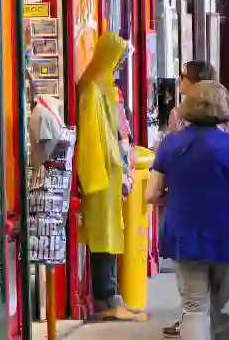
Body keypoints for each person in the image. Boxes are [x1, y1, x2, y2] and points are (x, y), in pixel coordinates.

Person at [147, 81, 229, 340]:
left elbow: (151, 194)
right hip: (225, 236)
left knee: (193, 307)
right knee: (225, 307)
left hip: (184, 233)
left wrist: (174, 198)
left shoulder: (170, 145)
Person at [160, 60, 226, 337]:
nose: (179, 80)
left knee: (192, 294)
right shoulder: (222, 116)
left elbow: (170, 157)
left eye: (183, 76)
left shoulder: (179, 117)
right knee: (222, 296)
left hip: (185, 209)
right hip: (219, 215)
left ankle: (190, 321)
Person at [77, 32, 138, 320]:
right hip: (101, 178)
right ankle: (106, 295)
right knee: (103, 237)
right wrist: (95, 178)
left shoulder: (103, 90)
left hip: (110, 178)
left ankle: (112, 293)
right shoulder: (92, 91)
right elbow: (91, 139)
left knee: (111, 235)